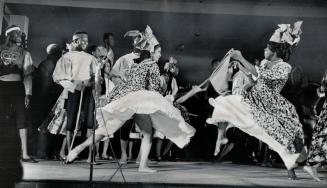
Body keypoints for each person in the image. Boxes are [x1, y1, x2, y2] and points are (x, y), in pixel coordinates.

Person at [66, 26, 195, 173]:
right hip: (140, 100)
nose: (160, 54)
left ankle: (77, 148)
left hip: (127, 99)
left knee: (105, 130)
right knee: (147, 134)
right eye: (158, 51)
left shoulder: (135, 64)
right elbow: (153, 89)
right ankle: (143, 166)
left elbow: (129, 83)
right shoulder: (152, 65)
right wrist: (164, 85)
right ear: (151, 51)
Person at [207, 21, 305, 172]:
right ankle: (221, 137)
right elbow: (257, 78)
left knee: (277, 138)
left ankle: (294, 166)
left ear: (276, 51)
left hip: (270, 105)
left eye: (268, 48)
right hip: (253, 99)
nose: (265, 50)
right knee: (224, 102)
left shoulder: (284, 67)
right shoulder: (265, 62)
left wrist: (241, 59)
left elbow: (261, 75)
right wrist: (246, 77)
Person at [52, 31, 97, 158]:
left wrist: (93, 81)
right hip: (73, 92)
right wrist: (73, 85)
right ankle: (68, 152)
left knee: (89, 122)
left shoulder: (90, 58)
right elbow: (57, 77)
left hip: (87, 91)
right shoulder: (66, 57)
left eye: (87, 41)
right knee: (71, 122)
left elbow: (95, 75)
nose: (85, 43)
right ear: (76, 41)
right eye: (83, 41)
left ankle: (90, 156)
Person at [0, 25, 37, 163]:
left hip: (17, 87)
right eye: (17, 33)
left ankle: (25, 154)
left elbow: (28, 75)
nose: (21, 35)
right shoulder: (0, 49)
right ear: (10, 35)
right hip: (1, 86)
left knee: (22, 118)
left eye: (21, 34)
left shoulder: (25, 53)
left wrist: (28, 93)